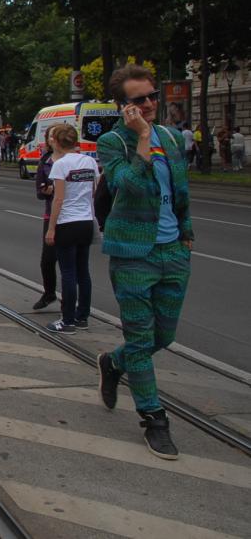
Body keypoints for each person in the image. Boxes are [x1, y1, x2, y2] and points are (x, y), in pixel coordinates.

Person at [95, 64, 193, 460]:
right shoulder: (112, 143)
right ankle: (154, 419)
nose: (150, 103)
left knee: (162, 337)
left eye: (153, 96)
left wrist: (186, 232)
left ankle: (113, 363)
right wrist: (141, 138)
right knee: (140, 339)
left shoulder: (172, 138)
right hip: (132, 254)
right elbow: (130, 186)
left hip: (173, 252)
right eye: (140, 99)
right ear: (123, 106)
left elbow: (180, 189)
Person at [43, 123, 98, 335]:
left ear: (57, 142)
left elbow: (58, 199)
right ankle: (82, 316)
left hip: (67, 222)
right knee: (83, 271)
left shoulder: (60, 165)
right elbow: (93, 191)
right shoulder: (89, 162)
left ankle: (67, 321)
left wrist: (51, 228)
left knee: (68, 272)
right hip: (86, 221)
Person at [32, 129, 59, 310]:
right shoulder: (46, 161)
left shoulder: (77, 160)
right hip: (51, 215)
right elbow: (40, 192)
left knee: (70, 263)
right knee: (48, 260)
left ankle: (75, 306)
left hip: (73, 217)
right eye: (51, 136)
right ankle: (49, 293)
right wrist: (46, 190)